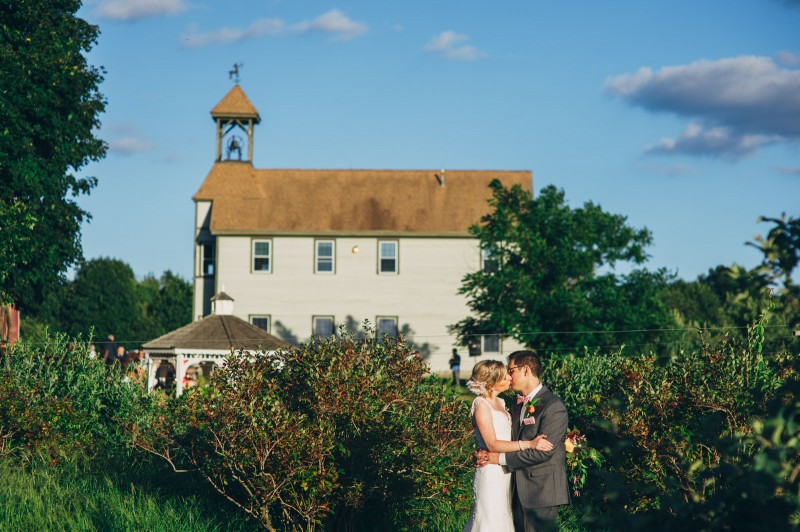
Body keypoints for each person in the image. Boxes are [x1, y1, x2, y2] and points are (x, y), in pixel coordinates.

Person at [478, 351, 570, 531]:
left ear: (525, 370)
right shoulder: (515, 405)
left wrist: (498, 459)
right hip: (514, 488)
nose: (508, 376)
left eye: (511, 371)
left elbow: (542, 452)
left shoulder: (554, 407)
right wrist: (483, 451)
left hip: (541, 492)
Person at [464, 360, 554, 532]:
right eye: (505, 376)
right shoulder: (481, 405)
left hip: (506, 471)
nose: (509, 377)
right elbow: (491, 443)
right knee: (490, 521)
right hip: (490, 472)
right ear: (492, 383)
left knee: (504, 519)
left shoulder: (502, 403)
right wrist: (529, 444)